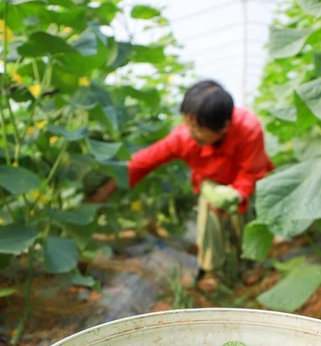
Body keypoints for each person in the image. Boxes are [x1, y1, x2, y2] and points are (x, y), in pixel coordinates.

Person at [90, 80, 274, 286]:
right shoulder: (183, 138)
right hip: (211, 183)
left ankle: (251, 263)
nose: (190, 132)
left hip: (244, 182)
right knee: (208, 218)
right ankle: (212, 271)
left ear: (224, 127)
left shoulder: (248, 128)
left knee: (245, 220)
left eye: (197, 128)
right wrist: (109, 187)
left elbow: (251, 172)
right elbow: (145, 160)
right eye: (187, 123)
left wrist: (238, 195)